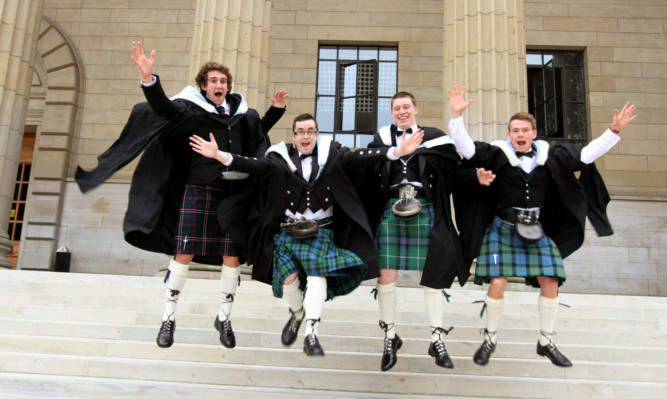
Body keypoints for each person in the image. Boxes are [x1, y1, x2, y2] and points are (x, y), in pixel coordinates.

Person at [75, 41, 288, 350]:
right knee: (183, 254)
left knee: (232, 258)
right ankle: (168, 318)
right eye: (213, 81)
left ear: (228, 87)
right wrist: (149, 80)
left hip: (234, 195)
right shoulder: (190, 109)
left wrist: (275, 112)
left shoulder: (243, 113)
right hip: (198, 190)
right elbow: (163, 108)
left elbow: (254, 133)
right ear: (203, 86)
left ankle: (224, 318)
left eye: (223, 81)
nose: (219, 85)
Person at [189, 113, 424, 356]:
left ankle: (311, 333)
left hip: (321, 232)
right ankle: (297, 313)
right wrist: (219, 154)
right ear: (293, 135)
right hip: (289, 232)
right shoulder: (280, 159)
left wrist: (395, 151)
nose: (305, 136)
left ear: (316, 134)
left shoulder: (334, 155)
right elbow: (253, 164)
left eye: (310, 131)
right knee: (289, 279)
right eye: (300, 131)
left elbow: (359, 157)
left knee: (316, 276)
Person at [447, 84, 637, 367]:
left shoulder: (552, 155)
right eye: (515, 131)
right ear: (509, 134)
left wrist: (614, 131)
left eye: (525, 130)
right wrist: (457, 117)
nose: (520, 135)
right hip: (503, 227)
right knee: (497, 281)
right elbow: (468, 150)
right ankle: (490, 338)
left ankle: (546, 341)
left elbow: (586, 155)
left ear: (534, 133)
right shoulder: (498, 153)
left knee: (550, 280)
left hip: (537, 229)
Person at [364, 92, 471, 371]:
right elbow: (362, 165)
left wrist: (457, 118)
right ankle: (389, 337)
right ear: (392, 112)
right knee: (386, 274)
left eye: (406, 107)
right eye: (397, 108)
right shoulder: (381, 141)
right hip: (391, 208)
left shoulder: (433, 136)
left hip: (424, 208)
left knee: (431, 273)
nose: (402, 112)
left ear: (415, 109)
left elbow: (458, 165)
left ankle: (436, 338)